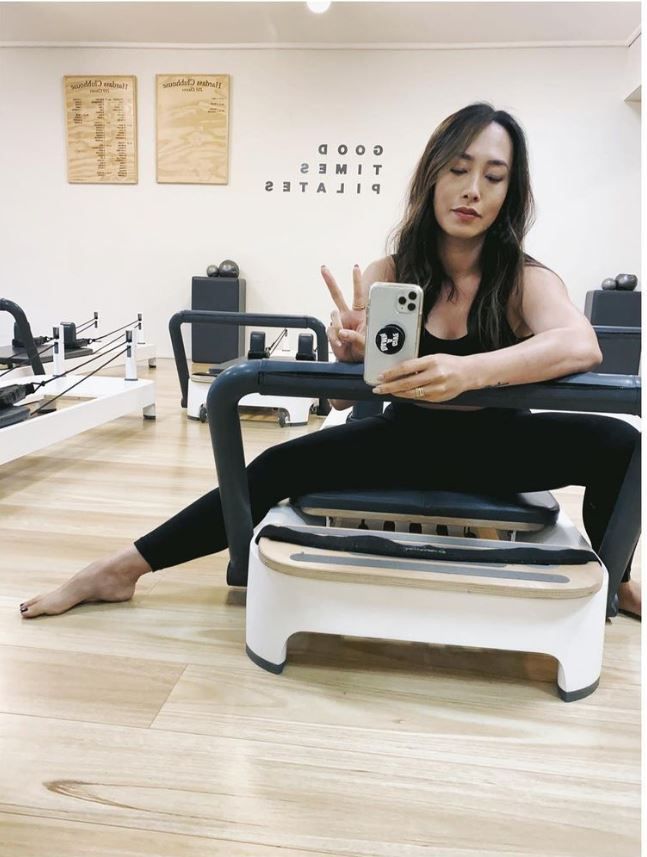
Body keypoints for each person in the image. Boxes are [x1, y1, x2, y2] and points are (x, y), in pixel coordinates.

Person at [20, 102, 641, 621]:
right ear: (432, 176)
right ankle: (121, 570)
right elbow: (345, 400)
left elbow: (579, 344)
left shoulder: (523, 279)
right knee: (274, 465)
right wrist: (350, 358)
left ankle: (616, 577)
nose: (473, 190)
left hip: (501, 449)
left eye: (495, 176)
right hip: (405, 440)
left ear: (511, 192)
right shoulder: (391, 272)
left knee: (621, 444)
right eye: (459, 169)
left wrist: (469, 372)